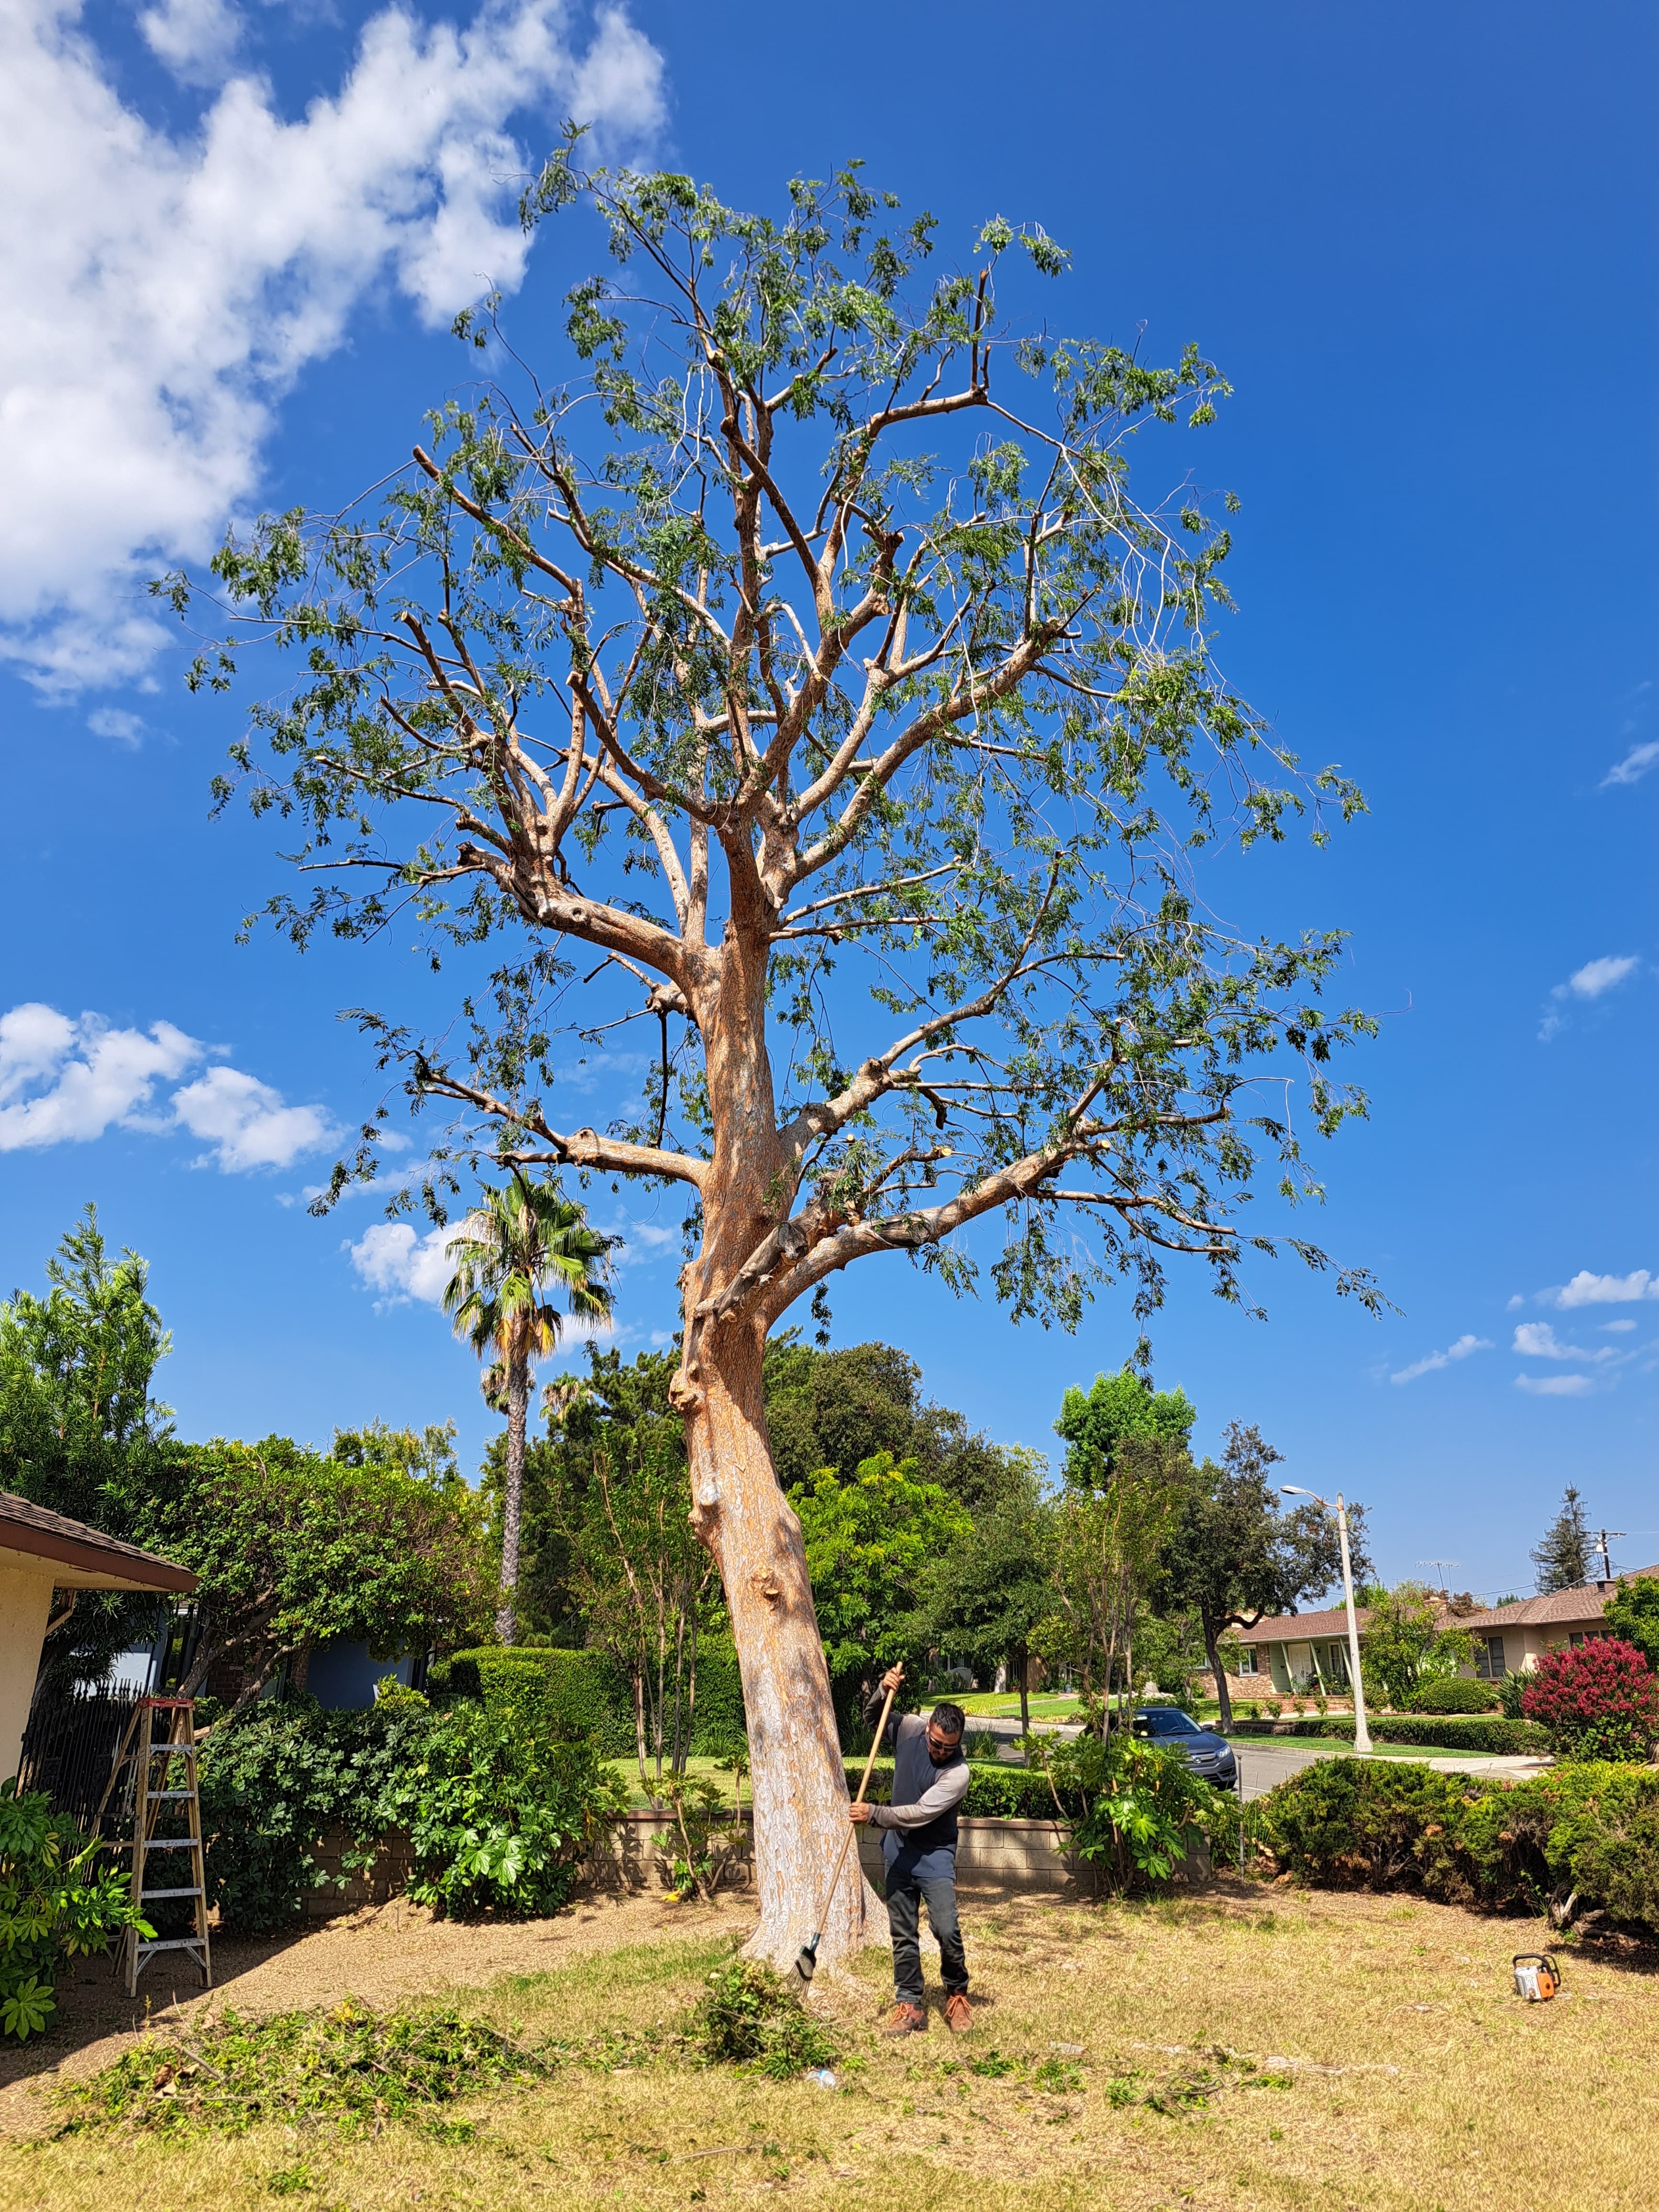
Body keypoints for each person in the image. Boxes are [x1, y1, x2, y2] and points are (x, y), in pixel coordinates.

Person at [850, 1664, 973, 2034]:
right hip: (899, 1853)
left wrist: (873, 1814)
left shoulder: (958, 1774)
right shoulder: (910, 1729)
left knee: (946, 1927)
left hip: (934, 1857)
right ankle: (910, 2006)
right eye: (936, 1743)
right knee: (902, 1932)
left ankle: (956, 1995)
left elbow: (919, 1814)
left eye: (948, 1748)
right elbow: (874, 1718)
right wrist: (883, 1692)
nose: (939, 1751)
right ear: (930, 1729)